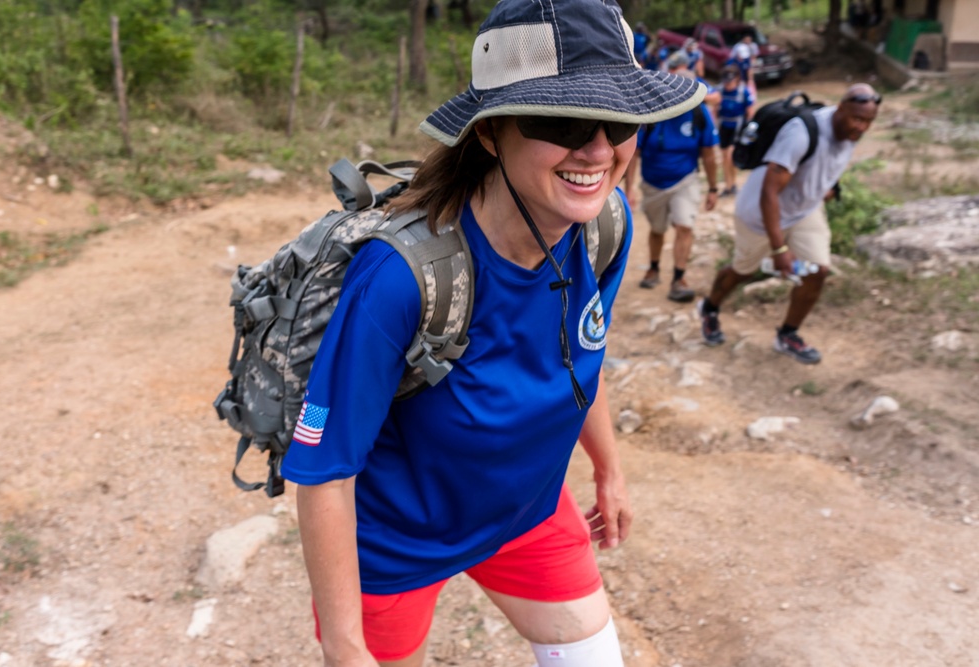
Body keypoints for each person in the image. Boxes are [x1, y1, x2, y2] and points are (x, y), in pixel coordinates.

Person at [281, 1, 706, 666]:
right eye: (561, 121)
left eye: (620, 118)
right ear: (488, 133)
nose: (597, 149)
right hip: (397, 542)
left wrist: (609, 469)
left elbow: (578, 355)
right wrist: (344, 646)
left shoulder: (602, 226)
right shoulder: (401, 277)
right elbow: (326, 471)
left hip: (527, 512)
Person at [697, 84, 881, 363]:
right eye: (857, 119)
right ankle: (710, 308)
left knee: (817, 271)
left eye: (868, 121)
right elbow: (769, 192)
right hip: (760, 214)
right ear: (840, 109)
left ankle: (788, 334)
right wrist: (780, 250)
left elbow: (827, 165)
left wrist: (825, 189)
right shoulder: (802, 132)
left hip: (805, 211)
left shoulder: (850, 131)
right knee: (743, 271)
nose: (862, 127)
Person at [625, 51, 719, 303]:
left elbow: (709, 154)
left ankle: (679, 277)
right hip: (653, 181)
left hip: (685, 179)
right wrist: (630, 188)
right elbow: (634, 153)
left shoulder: (700, 115)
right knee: (657, 229)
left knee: (684, 225)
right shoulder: (653, 114)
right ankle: (654, 267)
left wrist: (713, 188)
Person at [715, 64, 755, 197]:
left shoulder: (743, 91)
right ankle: (729, 185)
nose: (728, 84)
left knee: (730, 156)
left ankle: (732, 184)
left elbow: (750, 111)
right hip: (724, 126)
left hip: (738, 127)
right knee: (724, 158)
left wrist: (748, 128)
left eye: (730, 81)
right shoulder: (720, 90)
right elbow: (716, 109)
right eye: (726, 81)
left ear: (737, 79)